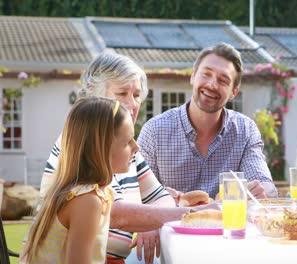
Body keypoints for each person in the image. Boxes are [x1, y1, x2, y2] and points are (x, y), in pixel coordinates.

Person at [37, 52, 199, 264]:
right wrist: (194, 213)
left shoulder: (124, 148)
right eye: (122, 93)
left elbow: (161, 198)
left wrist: (149, 220)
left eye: (137, 95)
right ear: (94, 96)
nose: (132, 105)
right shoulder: (78, 145)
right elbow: (115, 214)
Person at [138, 43, 277, 200]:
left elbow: (265, 185)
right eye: (206, 74)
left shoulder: (245, 130)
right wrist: (158, 199)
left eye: (223, 80)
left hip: (228, 223)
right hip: (170, 223)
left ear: (234, 92)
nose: (212, 85)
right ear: (193, 77)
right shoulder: (154, 131)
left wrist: (262, 190)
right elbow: (138, 197)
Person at [21, 97, 136, 263]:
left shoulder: (97, 193)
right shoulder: (86, 200)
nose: (136, 147)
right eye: (127, 142)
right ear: (101, 148)